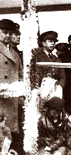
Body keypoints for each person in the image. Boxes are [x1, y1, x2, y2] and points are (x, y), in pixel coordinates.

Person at [0, 19, 23, 154]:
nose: (7, 36)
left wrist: (19, 90)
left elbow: (20, 74)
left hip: (12, 98)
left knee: (11, 133)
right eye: (4, 32)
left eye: (10, 33)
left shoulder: (15, 53)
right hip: (1, 97)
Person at [31, 31, 66, 111]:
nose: (53, 43)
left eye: (54, 42)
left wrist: (59, 87)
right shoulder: (37, 57)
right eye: (50, 41)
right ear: (43, 43)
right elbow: (34, 74)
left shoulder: (56, 59)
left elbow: (62, 76)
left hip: (55, 91)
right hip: (41, 90)